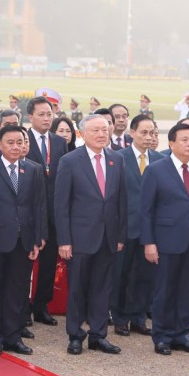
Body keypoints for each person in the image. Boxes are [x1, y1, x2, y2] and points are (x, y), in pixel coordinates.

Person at [140, 122, 189, 356]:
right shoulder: (156, 169)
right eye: (184, 139)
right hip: (166, 241)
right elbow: (146, 210)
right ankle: (162, 336)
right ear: (171, 143)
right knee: (165, 290)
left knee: (188, 291)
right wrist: (149, 242)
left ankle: (182, 334)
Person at [55, 114, 126, 356]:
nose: (101, 134)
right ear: (82, 134)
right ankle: (75, 335)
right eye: (95, 130)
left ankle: (98, 335)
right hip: (79, 238)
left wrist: (119, 236)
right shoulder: (70, 161)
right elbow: (61, 204)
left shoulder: (117, 159)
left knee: (102, 288)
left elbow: (121, 202)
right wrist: (64, 240)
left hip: (108, 237)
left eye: (104, 130)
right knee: (77, 288)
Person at [0, 125, 45, 355]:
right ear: (0, 145)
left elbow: (39, 206)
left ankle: (13, 336)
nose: (15, 147)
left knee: (18, 290)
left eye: (20, 142)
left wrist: (37, 239)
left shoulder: (34, 170)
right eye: (10, 142)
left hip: (23, 241)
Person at [112, 114, 163, 337]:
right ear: (132, 133)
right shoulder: (117, 158)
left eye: (152, 133)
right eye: (144, 132)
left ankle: (139, 317)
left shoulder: (160, 160)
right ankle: (121, 317)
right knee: (122, 275)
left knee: (146, 276)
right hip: (126, 228)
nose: (148, 137)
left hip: (151, 230)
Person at [25, 96, 68, 326]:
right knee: (24, 262)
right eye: (41, 114)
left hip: (53, 212)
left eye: (49, 114)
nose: (46, 118)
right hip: (28, 211)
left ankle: (41, 306)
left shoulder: (59, 142)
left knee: (49, 262)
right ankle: (22, 308)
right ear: (30, 116)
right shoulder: (23, 140)